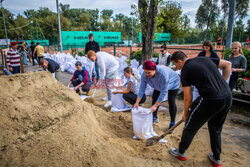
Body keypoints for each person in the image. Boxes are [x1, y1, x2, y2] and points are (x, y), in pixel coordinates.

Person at [169, 51, 232, 167]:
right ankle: (216, 159)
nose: (177, 68)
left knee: (190, 126)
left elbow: (188, 97)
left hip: (210, 99)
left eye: (176, 65)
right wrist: (223, 84)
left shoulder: (185, 70)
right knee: (216, 129)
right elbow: (228, 64)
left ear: (179, 61)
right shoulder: (205, 59)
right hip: (227, 96)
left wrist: (186, 114)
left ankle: (180, 152)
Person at [133, 60, 180, 126]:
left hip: (173, 83)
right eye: (145, 72)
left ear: (154, 70)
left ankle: (172, 122)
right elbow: (141, 89)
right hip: (158, 85)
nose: (147, 74)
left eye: (149, 73)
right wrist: (137, 102)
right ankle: (154, 117)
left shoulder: (163, 74)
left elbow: (163, 92)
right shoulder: (144, 75)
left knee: (171, 101)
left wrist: (156, 105)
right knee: (154, 98)